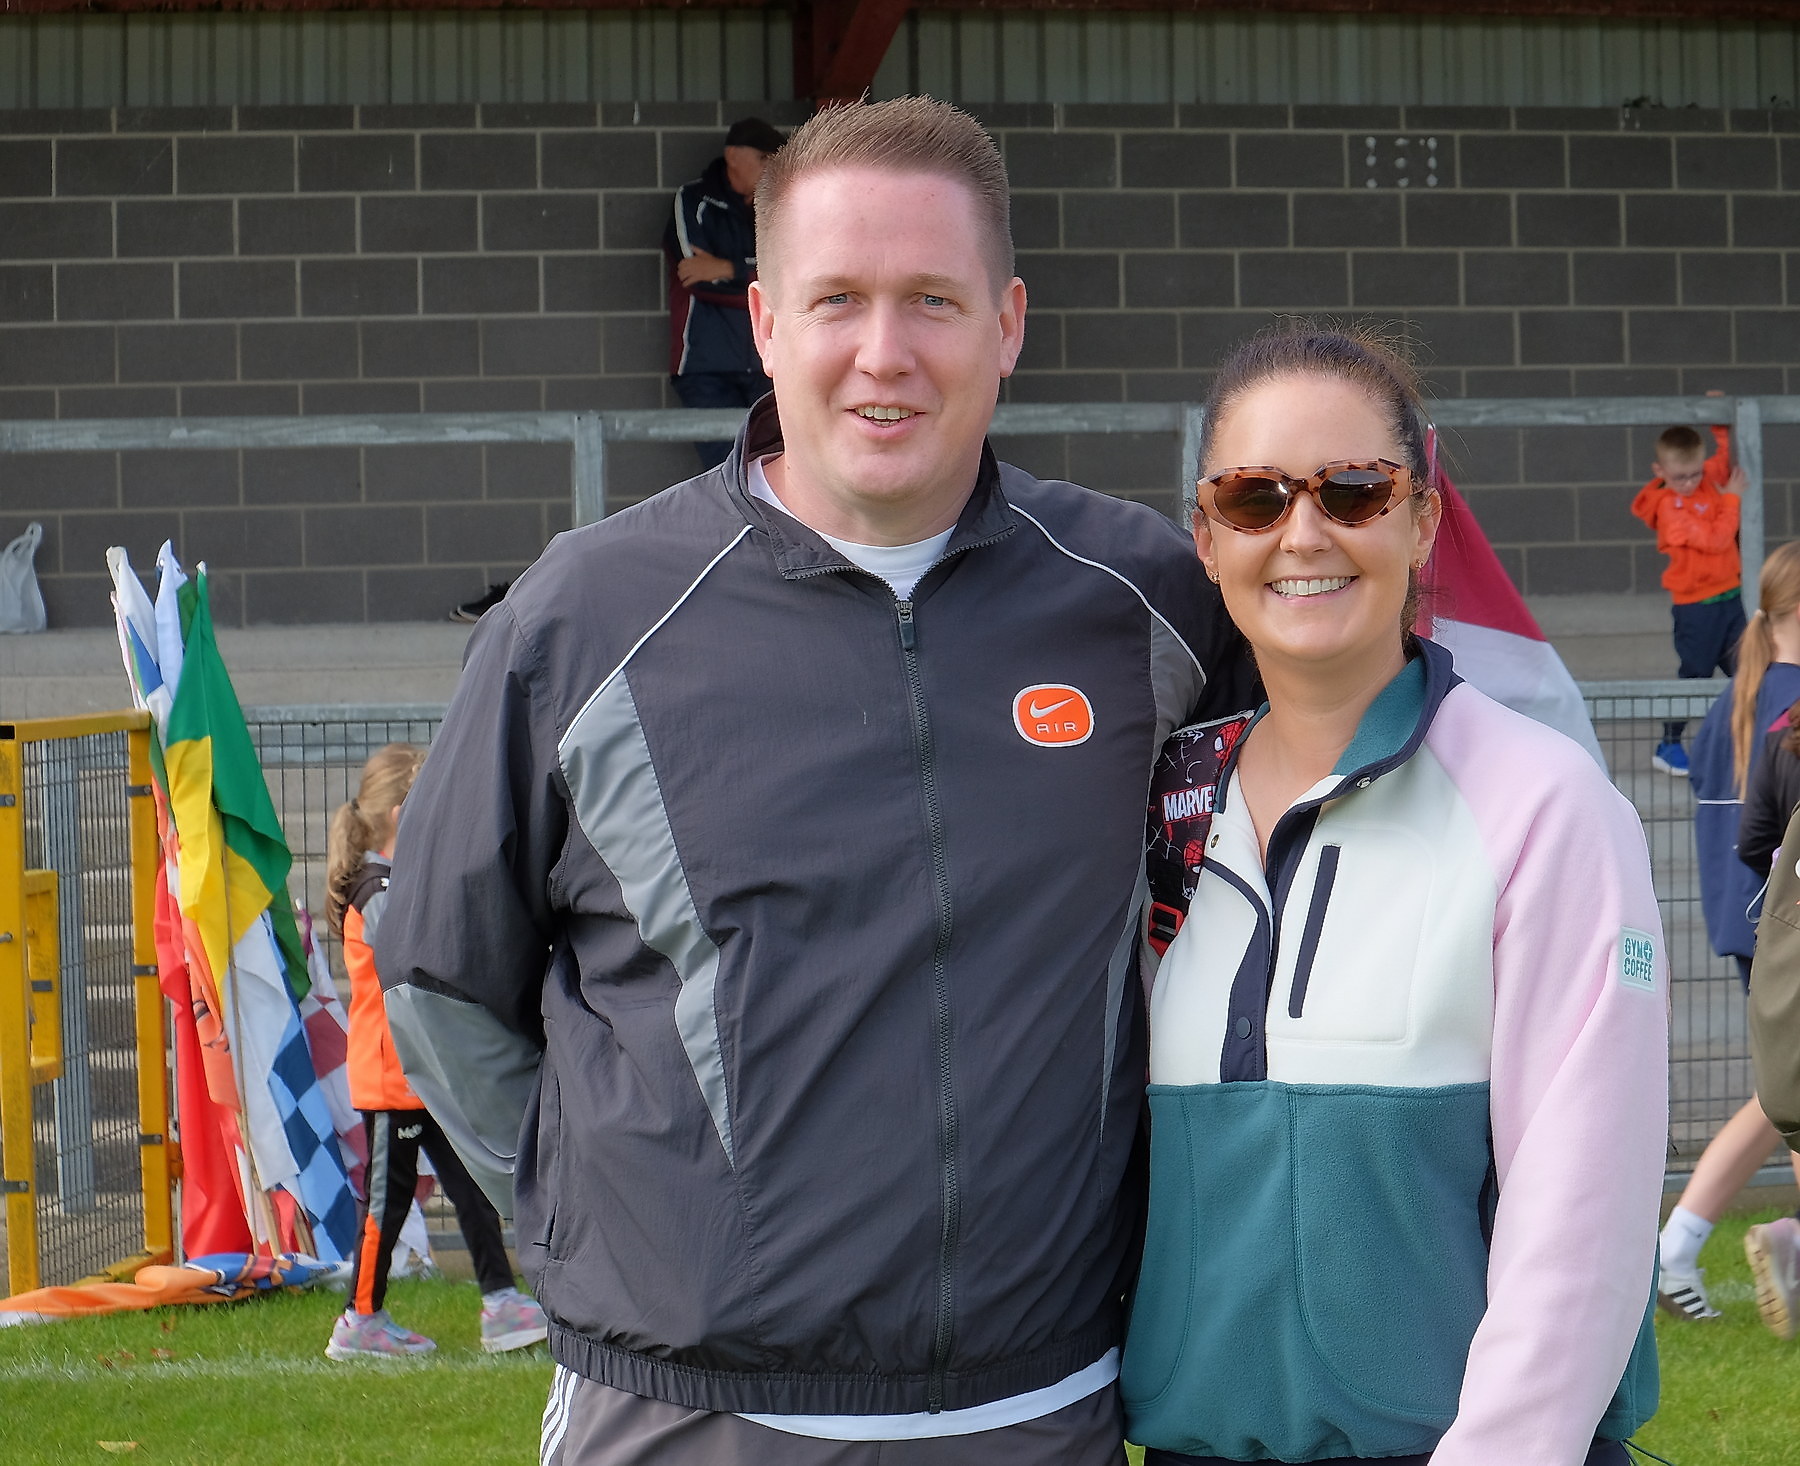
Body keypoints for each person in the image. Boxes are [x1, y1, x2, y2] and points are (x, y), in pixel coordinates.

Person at [376, 97, 1253, 1464]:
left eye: (933, 301)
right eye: (836, 299)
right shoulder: (587, 614)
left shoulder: (1142, 600)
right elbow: (439, 980)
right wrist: (607, 1223)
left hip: (1044, 1408)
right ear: (767, 325)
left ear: (1008, 324)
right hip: (681, 1414)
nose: (882, 353)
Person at [1120, 324, 1666, 1466]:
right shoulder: (1165, 795)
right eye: (1256, 496)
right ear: (1207, 536)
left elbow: (1585, 1222)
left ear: (1422, 519)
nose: (1305, 532)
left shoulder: (1541, 802)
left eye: (1356, 489)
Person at [322, 743, 549, 1362]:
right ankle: (359, 1318)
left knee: (470, 1186)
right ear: (400, 810)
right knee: (387, 1205)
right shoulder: (378, 890)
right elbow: (420, 959)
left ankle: (502, 1301)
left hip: (424, 1072)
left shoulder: (392, 883)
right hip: (395, 1078)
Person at [1656, 540, 1800, 1325]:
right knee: (1792, 1092)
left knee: (1782, 1091)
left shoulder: (1734, 700)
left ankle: (1680, 1247)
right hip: (1785, 925)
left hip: (1747, 921)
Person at [664, 116, 786, 469]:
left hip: (768, 365)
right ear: (733, 155)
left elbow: (788, 277)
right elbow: (696, 278)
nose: (771, 166)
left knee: (773, 470)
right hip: (705, 366)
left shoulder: (774, 208)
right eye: (764, 157)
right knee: (726, 472)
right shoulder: (694, 199)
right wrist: (756, 278)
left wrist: (728, 269)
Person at [1630, 411, 1746, 775]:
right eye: (1680, 477)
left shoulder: (1705, 478)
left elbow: (1721, 459)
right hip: (1696, 607)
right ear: (1660, 472)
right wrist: (1732, 501)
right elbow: (1716, 539)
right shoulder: (1669, 506)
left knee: (1750, 671)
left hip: (1730, 598)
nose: (1690, 482)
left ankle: (1761, 744)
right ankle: (1668, 744)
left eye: (1695, 473)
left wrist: (1720, 424)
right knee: (1695, 676)